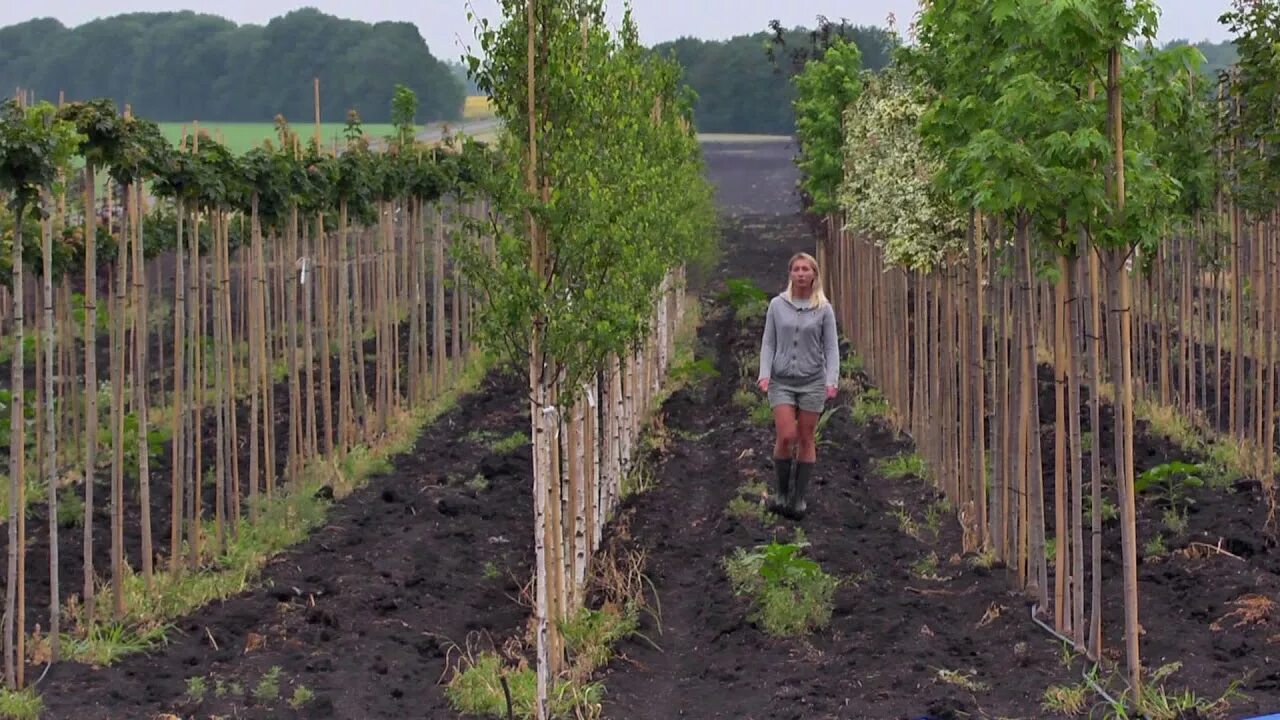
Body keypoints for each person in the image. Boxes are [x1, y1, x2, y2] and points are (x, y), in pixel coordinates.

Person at [756, 252, 839, 520]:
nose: (801, 273)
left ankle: (798, 498)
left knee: (806, 438)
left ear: (814, 274)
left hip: (812, 381)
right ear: (790, 274)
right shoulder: (777, 305)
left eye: (806, 269)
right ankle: (781, 493)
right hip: (781, 381)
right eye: (796, 269)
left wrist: (831, 380)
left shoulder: (823, 309)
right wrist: (765, 373)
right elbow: (768, 342)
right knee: (786, 435)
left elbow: (831, 347)